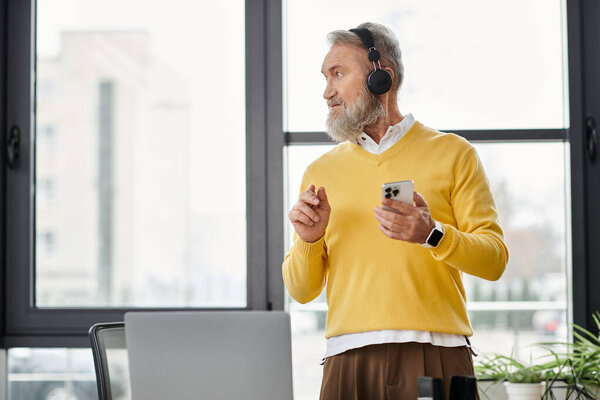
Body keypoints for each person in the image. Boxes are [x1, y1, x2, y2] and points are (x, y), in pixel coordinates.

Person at [282, 22, 509, 400]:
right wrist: (310, 239)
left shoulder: (454, 154)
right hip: (347, 359)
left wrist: (431, 234)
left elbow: (495, 260)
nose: (327, 92)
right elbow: (301, 291)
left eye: (338, 74)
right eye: (325, 78)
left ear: (380, 74)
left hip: (437, 352)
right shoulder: (319, 172)